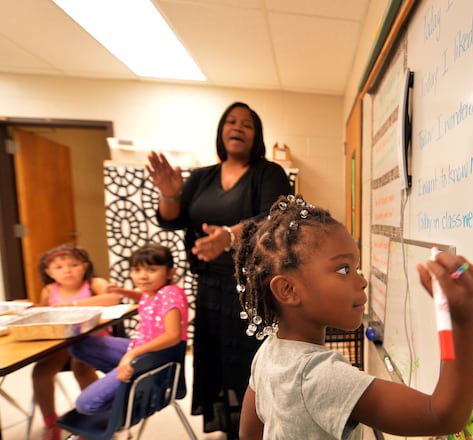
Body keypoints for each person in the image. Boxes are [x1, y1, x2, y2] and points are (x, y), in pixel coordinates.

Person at [235, 195, 473, 439]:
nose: (362, 281)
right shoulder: (322, 377)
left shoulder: (268, 353)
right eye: (344, 269)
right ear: (288, 290)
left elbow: (248, 433)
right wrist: (464, 319)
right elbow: (442, 416)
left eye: (356, 267)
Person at [146, 101, 293, 437]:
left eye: (247, 124)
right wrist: (169, 194)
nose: (238, 127)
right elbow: (173, 218)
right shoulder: (201, 177)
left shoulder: (268, 174)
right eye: (231, 121)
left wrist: (229, 236)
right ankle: (230, 428)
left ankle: (260, 430)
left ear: (256, 136)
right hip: (211, 288)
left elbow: (277, 216)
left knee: (252, 365)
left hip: (255, 289)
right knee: (218, 365)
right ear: (221, 131)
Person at [68, 243, 189, 415]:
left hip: (154, 359)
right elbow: (147, 298)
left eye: (151, 270)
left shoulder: (170, 293)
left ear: (170, 272)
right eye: (136, 270)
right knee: (79, 346)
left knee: (86, 404)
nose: (143, 276)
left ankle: (132, 389)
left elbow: (173, 336)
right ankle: (126, 377)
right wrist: (123, 291)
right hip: (141, 348)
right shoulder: (155, 291)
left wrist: (132, 354)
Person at [33, 244, 120, 440]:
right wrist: (31, 307)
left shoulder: (94, 283)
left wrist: (73, 304)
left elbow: (113, 297)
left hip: (94, 342)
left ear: (85, 266)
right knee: (40, 371)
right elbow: (44, 312)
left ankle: (95, 418)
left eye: (73, 264)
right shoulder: (49, 290)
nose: (67, 270)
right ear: (49, 272)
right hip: (61, 343)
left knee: (81, 368)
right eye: (59, 267)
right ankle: (50, 422)